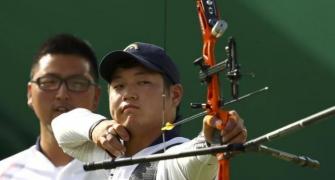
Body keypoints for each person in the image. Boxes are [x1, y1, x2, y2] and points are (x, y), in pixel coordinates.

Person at [51, 42, 247, 179]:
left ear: (175, 95)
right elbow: (61, 125)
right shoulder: (108, 151)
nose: (128, 94)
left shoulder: (174, 161)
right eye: (119, 86)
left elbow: (195, 159)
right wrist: (97, 127)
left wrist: (211, 141)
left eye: (143, 82)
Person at [0, 34, 109, 179]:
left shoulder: (122, 170)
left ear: (96, 96)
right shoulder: (5, 173)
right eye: (49, 82)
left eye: (77, 83)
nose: (62, 94)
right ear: (30, 94)